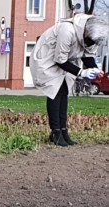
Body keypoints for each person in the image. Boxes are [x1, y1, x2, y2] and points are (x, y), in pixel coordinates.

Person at [30, 14, 109, 146]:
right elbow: (60, 59)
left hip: (64, 62)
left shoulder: (91, 37)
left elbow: (87, 55)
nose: (92, 44)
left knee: (64, 92)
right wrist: (82, 72)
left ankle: (63, 131)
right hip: (47, 60)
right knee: (55, 92)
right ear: (86, 31)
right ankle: (56, 132)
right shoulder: (67, 30)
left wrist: (96, 70)